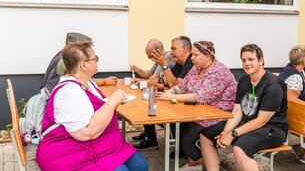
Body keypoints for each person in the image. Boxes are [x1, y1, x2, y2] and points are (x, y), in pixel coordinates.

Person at [36, 41, 148, 170]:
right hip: (69, 153)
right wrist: (112, 102)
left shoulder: (88, 81)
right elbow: (85, 134)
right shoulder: (69, 92)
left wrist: (113, 102)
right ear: (83, 65)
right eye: (95, 59)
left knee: (140, 165)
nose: (97, 61)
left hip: (97, 144)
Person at [200, 44, 288, 171]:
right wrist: (226, 131)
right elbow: (237, 111)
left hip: (272, 129)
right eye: (244, 60)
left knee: (240, 149)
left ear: (261, 61)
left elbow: (261, 120)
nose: (246, 63)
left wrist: (233, 134)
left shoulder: (273, 85)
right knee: (206, 135)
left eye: (251, 59)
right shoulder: (244, 80)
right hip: (248, 122)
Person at [156, 41, 237, 171]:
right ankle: (199, 164)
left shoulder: (219, 72)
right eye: (192, 54)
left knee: (188, 138)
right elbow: (183, 86)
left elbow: (200, 97)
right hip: (200, 112)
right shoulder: (196, 68)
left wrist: (171, 97)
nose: (192, 58)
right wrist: (167, 93)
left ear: (208, 56)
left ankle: (205, 165)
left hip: (219, 115)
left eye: (196, 55)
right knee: (181, 130)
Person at [135, 36, 194, 150]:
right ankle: (153, 137)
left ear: (185, 49)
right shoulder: (179, 62)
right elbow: (168, 81)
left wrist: (165, 65)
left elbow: (174, 85)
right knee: (150, 102)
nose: (171, 52)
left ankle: (181, 148)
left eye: (173, 49)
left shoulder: (189, 62)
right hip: (180, 99)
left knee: (152, 106)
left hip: (190, 105)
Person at [278, 45, 305, 163]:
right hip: (291, 117)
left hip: (285, 114)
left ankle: (303, 149)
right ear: (304, 60)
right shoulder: (295, 76)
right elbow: (292, 101)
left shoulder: (290, 70)